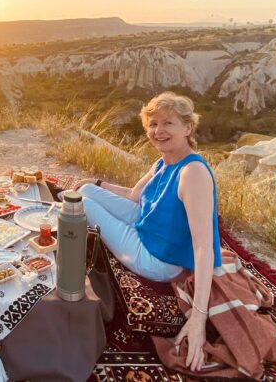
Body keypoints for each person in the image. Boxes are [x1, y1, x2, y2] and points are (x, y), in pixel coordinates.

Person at [75, 91, 222, 373]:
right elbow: (134, 196)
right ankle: (77, 205)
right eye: (153, 124)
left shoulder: (193, 173)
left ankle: (61, 231)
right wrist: (95, 182)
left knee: (80, 203)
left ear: (188, 128)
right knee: (84, 191)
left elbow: (203, 246)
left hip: (156, 257)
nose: (158, 130)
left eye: (168, 123)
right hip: (145, 223)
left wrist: (199, 319)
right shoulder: (163, 161)